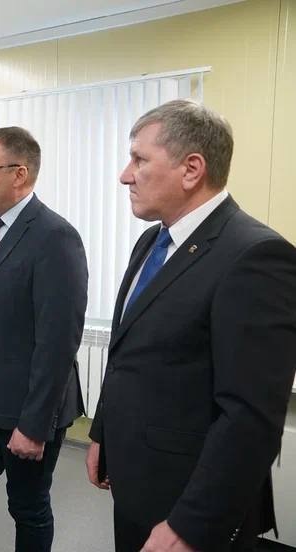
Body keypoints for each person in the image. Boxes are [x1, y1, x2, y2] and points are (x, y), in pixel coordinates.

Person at [85, 99, 296, 552]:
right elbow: (127, 354)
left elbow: (250, 416)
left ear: (191, 169)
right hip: (136, 478)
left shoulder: (255, 256)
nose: (124, 175)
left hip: (190, 503)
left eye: (139, 159)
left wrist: (190, 524)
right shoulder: (152, 241)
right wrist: (103, 434)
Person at [0, 127, 88, 552]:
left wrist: (33, 426)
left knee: (27, 508)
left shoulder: (54, 236)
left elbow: (58, 341)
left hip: (28, 410)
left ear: (19, 174)